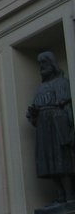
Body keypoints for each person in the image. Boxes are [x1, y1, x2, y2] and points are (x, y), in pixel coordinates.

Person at [26, 51, 75, 205]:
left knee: (62, 159)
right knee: (48, 160)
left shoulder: (62, 83)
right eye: (40, 63)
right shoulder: (41, 88)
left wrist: (70, 129)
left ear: (52, 64)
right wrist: (33, 114)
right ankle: (60, 196)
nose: (41, 66)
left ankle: (70, 195)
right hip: (43, 127)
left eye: (44, 62)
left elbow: (68, 107)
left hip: (58, 125)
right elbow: (34, 110)